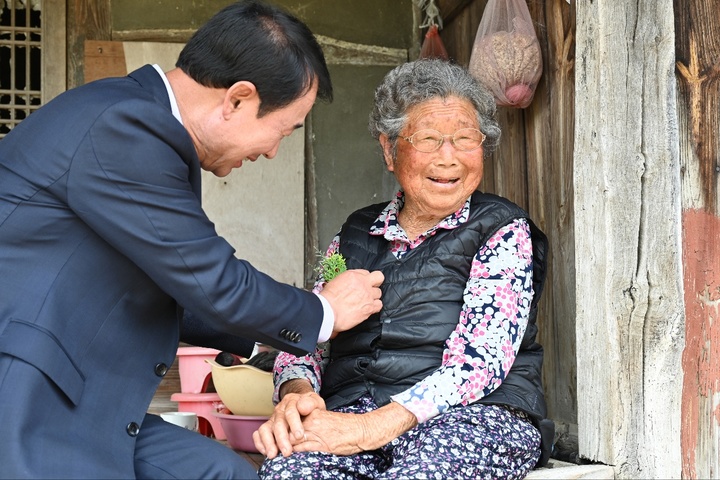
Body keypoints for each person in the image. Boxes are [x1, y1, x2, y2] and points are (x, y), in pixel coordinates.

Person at [0, 1, 384, 479]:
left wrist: (269, 340)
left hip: (88, 400)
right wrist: (325, 312)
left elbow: (177, 289)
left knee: (228, 473)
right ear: (238, 99)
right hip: (28, 397)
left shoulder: (143, 125)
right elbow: (213, 282)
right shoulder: (124, 127)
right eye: (281, 130)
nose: (271, 150)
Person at [254, 58, 554, 480]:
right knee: (290, 470)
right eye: (429, 138)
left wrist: (367, 429)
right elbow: (309, 331)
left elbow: (479, 362)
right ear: (389, 149)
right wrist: (297, 394)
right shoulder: (357, 232)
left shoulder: (502, 229)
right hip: (355, 412)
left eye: (466, 138)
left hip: (472, 418)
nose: (448, 158)